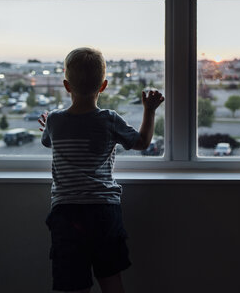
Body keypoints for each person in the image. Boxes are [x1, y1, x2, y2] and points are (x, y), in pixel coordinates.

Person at [39, 47, 164, 293]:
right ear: (104, 85)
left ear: (67, 85)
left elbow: (47, 140)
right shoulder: (109, 119)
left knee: (73, 284)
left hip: (66, 213)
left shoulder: (54, 120)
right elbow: (141, 143)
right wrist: (149, 111)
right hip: (103, 210)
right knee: (110, 279)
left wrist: (49, 124)